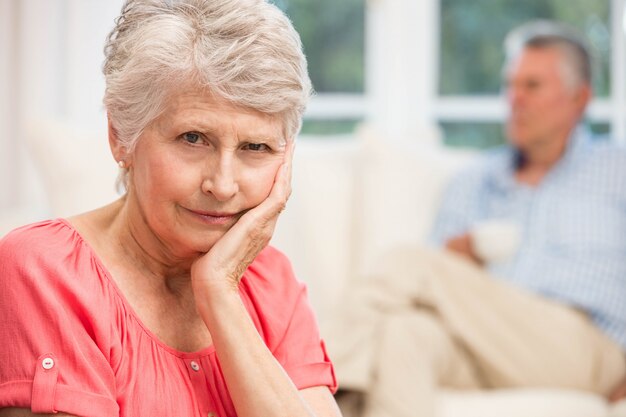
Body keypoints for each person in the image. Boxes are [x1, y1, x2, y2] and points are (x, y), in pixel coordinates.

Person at [0, 1, 341, 416]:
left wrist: (219, 292)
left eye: (256, 147)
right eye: (193, 138)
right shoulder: (44, 271)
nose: (223, 185)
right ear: (121, 135)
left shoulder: (271, 282)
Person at [327, 20, 626, 417]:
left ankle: (308, 391)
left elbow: (425, 273)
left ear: (580, 98)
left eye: (532, 86)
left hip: (582, 345)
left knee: (410, 263)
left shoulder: (615, 170)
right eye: (510, 85)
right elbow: (430, 287)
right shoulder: (474, 180)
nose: (514, 99)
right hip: (486, 342)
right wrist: (457, 260)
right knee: (403, 335)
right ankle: (325, 396)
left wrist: (441, 270)